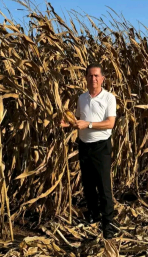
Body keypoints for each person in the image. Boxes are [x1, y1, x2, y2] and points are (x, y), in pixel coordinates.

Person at [61, 63, 118, 239]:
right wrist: (67, 124)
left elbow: (110, 123)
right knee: (88, 185)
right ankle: (94, 216)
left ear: (102, 79)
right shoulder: (82, 98)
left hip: (101, 146)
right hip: (84, 145)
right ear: (86, 78)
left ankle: (108, 224)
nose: (93, 79)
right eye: (90, 76)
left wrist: (90, 125)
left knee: (103, 186)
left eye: (96, 76)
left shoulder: (109, 98)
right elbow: (80, 119)